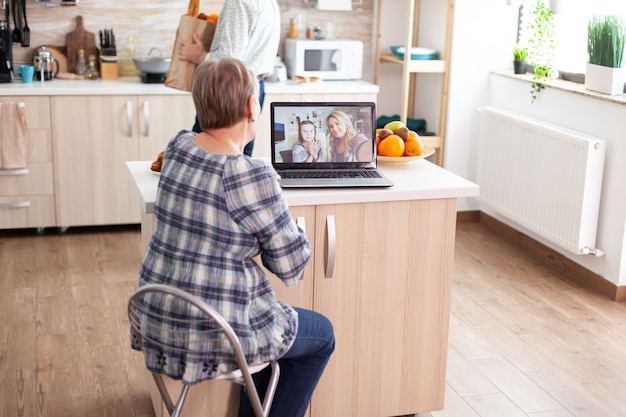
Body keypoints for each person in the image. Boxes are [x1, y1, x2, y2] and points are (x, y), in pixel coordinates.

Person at [132, 58, 334, 417]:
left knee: (266, 335)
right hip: (217, 333)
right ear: (250, 106)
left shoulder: (178, 147)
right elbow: (291, 268)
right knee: (322, 336)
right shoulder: (251, 175)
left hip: (155, 319)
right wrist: (294, 231)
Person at [177, 0, 280, 157]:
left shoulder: (238, 2)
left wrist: (199, 55)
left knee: (202, 162)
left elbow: (228, 62)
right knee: (239, 165)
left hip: (230, 92)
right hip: (253, 87)